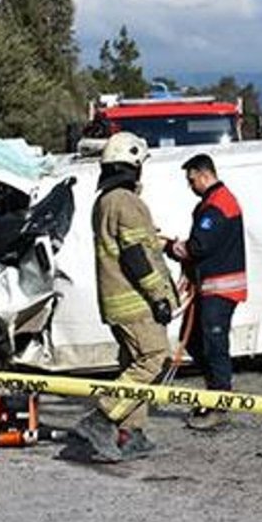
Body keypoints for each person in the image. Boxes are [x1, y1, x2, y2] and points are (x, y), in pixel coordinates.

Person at [68, 132, 179, 462]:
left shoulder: (105, 201)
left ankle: (133, 434)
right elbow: (134, 254)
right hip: (135, 301)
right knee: (154, 357)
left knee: (133, 363)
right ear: (133, 165)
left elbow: (132, 246)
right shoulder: (125, 201)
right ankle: (101, 419)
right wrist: (159, 296)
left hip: (116, 301)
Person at [166, 153, 246, 432]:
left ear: (204, 175)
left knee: (214, 344)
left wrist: (172, 248)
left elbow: (200, 246)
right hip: (209, 286)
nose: (190, 186)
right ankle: (214, 392)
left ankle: (220, 401)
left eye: (191, 180)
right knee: (195, 341)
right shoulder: (214, 203)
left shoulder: (218, 204)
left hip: (219, 288)